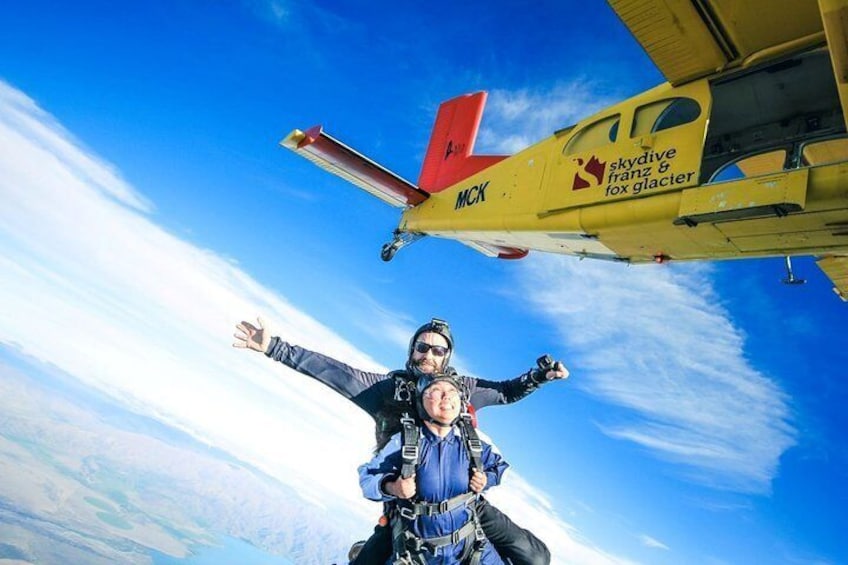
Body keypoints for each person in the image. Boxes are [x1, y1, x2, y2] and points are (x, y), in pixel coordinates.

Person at [233, 317, 568, 565]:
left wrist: (539, 376)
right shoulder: (388, 390)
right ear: (412, 351)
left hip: (465, 502)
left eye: (438, 349)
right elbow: (333, 372)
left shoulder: (461, 389)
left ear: (446, 357)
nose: (429, 354)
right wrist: (274, 347)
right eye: (422, 347)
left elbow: (506, 391)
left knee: (535, 560)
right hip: (404, 508)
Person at [359, 372, 507, 564]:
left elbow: (500, 466)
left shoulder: (473, 441)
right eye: (436, 391)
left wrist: (487, 478)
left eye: (452, 391)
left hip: (471, 548)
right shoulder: (406, 442)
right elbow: (367, 478)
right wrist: (392, 487)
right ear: (421, 401)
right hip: (418, 554)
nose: (446, 396)